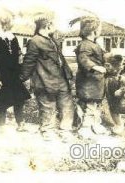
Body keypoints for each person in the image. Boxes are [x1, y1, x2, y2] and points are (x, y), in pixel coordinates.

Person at [20, 12, 75, 141]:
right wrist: (22, 77)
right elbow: (29, 62)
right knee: (47, 105)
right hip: (45, 80)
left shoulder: (52, 40)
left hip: (61, 80)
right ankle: (47, 129)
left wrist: (68, 75)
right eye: (54, 23)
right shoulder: (35, 41)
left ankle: (65, 129)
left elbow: (61, 59)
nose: (56, 26)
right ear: (48, 25)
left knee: (67, 105)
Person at [70, 16, 108, 139]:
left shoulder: (94, 44)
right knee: (89, 106)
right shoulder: (85, 45)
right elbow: (83, 59)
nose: (100, 31)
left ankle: (95, 125)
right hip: (88, 83)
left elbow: (103, 58)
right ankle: (85, 128)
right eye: (99, 29)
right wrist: (96, 67)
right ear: (94, 30)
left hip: (96, 82)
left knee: (95, 105)